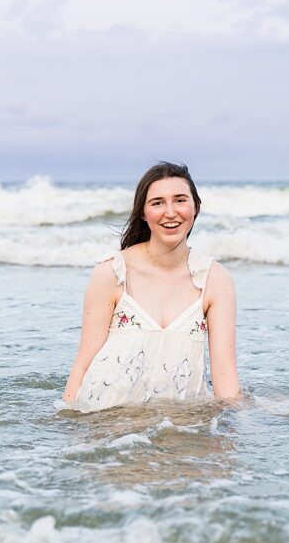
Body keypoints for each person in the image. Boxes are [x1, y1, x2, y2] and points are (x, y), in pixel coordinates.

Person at [60, 161, 240, 412]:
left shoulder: (215, 279)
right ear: (144, 213)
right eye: (157, 203)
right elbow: (84, 360)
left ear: (195, 208)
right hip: (107, 420)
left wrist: (232, 438)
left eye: (180, 200)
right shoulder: (112, 272)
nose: (170, 212)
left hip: (180, 423)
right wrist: (67, 418)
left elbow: (224, 372)